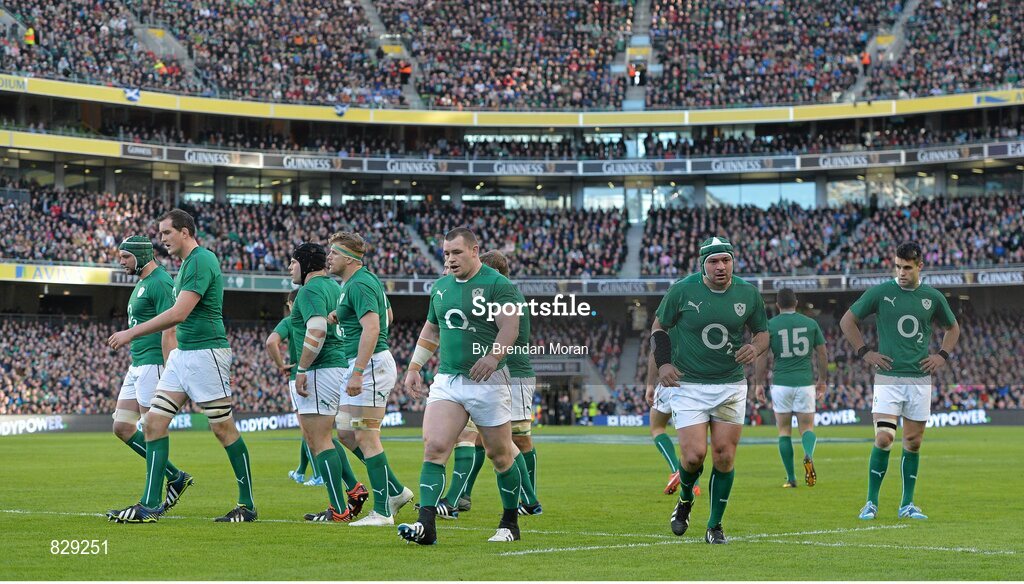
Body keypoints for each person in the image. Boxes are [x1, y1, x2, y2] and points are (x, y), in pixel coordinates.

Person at [107, 209, 257, 523]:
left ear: (184, 232)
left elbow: (179, 314)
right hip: (183, 356)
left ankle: (247, 505)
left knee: (222, 429)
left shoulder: (202, 260)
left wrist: (131, 332)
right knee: (152, 424)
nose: (161, 241)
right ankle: (149, 505)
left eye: (166, 234)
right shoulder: (187, 264)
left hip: (207, 354)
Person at [398, 228, 524, 544]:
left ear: (474, 250)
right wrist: (415, 366)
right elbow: (431, 330)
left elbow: (510, 326)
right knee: (435, 447)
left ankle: (510, 523)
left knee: (500, 456)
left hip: (489, 382)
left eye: (456, 252)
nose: (450, 259)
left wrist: (494, 358)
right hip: (448, 380)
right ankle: (426, 525)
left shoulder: (498, 285)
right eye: (446, 253)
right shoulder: (440, 287)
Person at [646, 236, 768, 543]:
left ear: (732, 262)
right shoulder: (681, 290)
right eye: (713, 261)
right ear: (703, 265)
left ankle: (714, 525)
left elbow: (763, 333)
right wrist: (662, 365)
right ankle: (685, 500)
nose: (720, 267)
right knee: (693, 457)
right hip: (688, 385)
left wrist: (755, 347)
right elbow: (658, 328)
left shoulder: (748, 293)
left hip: (730, 385)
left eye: (725, 260)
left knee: (724, 457)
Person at [840, 242, 960, 521]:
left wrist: (942, 355)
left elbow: (952, 327)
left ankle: (907, 504)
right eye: (898, 266)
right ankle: (870, 502)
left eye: (907, 267)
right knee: (884, 437)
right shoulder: (882, 292)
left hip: (919, 381)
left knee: (913, 442)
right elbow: (848, 321)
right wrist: (864, 352)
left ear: (920, 267)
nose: (902, 272)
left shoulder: (932, 297)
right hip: (888, 379)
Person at [434, 250, 541, 518]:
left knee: (510, 440)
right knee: (484, 439)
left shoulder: (502, 295)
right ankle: (464, 496)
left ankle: (525, 499)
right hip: (503, 374)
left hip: (506, 373)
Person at [325, 231, 413, 526]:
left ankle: (383, 511)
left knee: (366, 436)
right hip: (365, 363)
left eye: (334, 253)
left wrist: (360, 371)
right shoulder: (359, 282)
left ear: (349, 258)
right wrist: (343, 314)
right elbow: (387, 314)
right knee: (347, 434)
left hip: (370, 365)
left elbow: (374, 328)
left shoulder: (360, 283)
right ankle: (396, 491)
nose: (329, 258)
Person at [109, 236, 193, 514]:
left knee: (152, 429)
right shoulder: (142, 283)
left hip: (155, 364)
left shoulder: (160, 282)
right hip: (138, 364)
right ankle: (176, 476)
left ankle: (151, 502)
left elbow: (171, 327)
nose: (121, 262)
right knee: (122, 427)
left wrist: (172, 369)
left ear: (141, 256)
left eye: (125, 257)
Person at [287, 243, 367, 523]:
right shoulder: (335, 287)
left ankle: (338, 509)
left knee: (318, 440)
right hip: (337, 365)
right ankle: (354, 490)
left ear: (306, 264)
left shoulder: (308, 291)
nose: (290, 267)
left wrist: (302, 367)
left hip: (320, 369)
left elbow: (317, 328)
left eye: (293, 262)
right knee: (324, 439)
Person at [754, 288, 827, 488]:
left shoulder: (770, 325)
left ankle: (791, 478)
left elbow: (762, 356)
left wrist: (758, 384)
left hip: (781, 383)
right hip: (804, 382)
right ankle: (808, 455)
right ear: (796, 303)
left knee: (784, 431)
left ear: (777, 305)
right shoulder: (810, 323)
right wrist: (822, 380)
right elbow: (822, 353)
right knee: (807, 428)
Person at [265, 290, 320, 485]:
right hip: (321, 374)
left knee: (308, 430)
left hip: (298, 376)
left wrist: (281, 365)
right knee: (315, 428)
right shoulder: (317, 317)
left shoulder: (290, 321)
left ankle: (318, 474)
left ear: (290, 304)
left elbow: (271, 342)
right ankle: (300, 471)